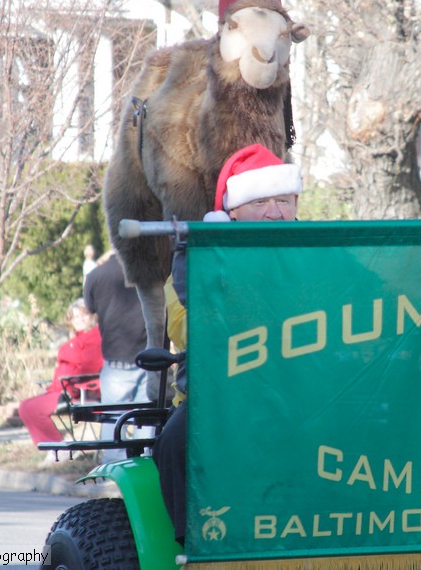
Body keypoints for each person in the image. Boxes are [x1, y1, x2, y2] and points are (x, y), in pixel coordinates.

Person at [155, 142, 303, 545]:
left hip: (301, 389)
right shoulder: (196, 255)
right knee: (176, 441)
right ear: (233, 210)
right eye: (260, 201)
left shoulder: (315, 252)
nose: (274, 212)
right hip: (220, 394)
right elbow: (191, 325)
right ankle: (196, 545)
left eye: (283, 200)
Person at [83, 248, 151, 462]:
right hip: (149, 357)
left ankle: (112, 471)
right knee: (146, 422)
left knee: (112, 420)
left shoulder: (96, 275)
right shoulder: (149, 271)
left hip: (115, 358)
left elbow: (90, 308)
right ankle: (144, 467)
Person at [17, 298, 102, 450]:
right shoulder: (77, 338)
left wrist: (72, 386)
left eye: (84, 315)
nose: (80, 319)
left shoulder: (94, 336)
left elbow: (91, 367)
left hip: (76, 391)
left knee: (34, 410)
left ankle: (58, 449)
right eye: (75, 316)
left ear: (92, 316)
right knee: (24, 406)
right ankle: (53, 448)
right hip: (60, 388)